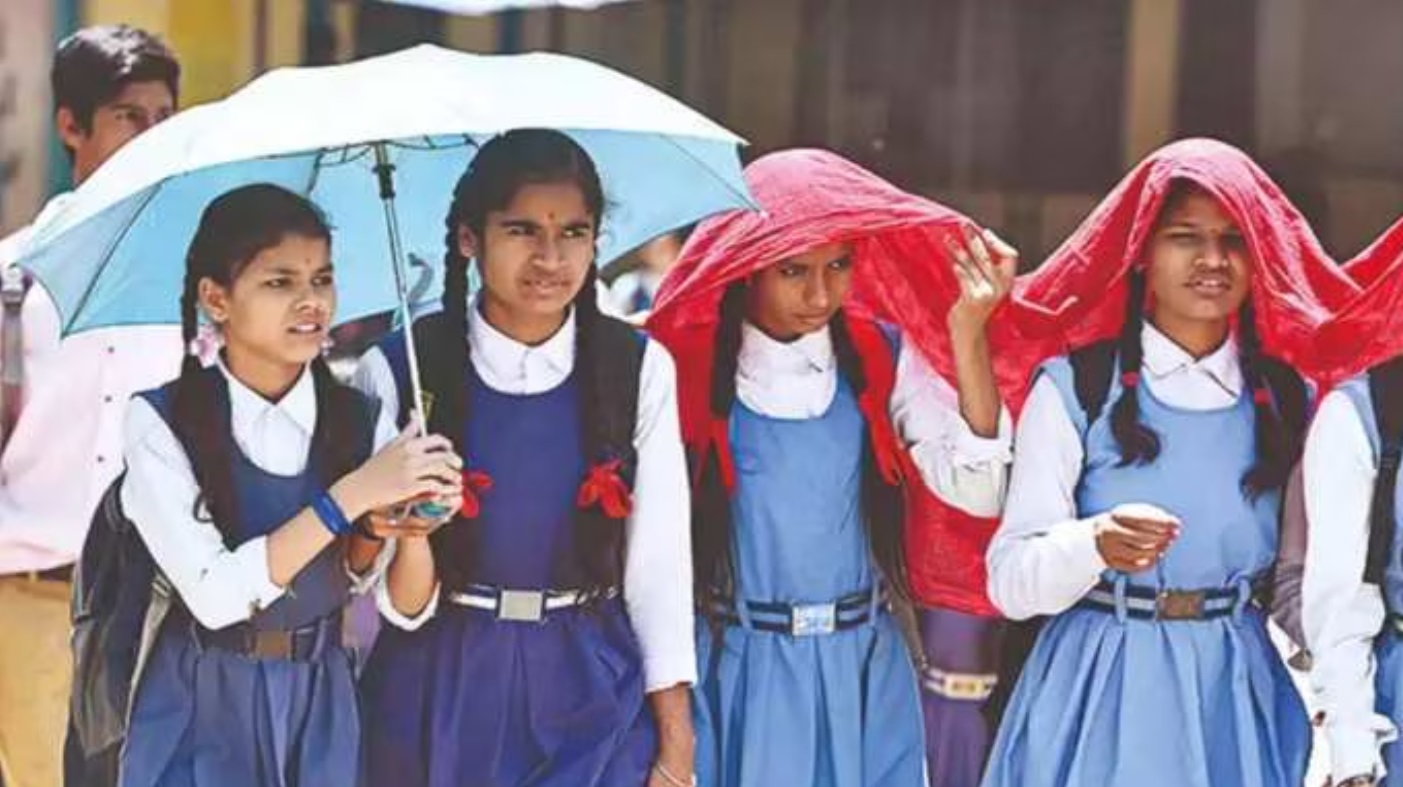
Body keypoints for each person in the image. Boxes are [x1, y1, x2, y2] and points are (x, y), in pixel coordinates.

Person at [983, 138, 1355, 787]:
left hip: (1233, 694)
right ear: (1140, 254)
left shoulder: (1290, 398)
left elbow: (1300, 584)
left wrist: (1348, 690)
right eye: (1185, 237)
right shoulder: (1076, 388)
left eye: (1234, 240)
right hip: (1098, 688)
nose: (1212, 259)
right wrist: (1091, 543)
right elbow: (1010, 582)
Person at [647, 148, 1016, 787]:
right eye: (793, 270)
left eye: (839, 265)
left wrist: (967, 335)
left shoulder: (880, 355)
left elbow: (979, 491)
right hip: (736, 666)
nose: (820, 294)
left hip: (864, 669)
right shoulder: (683, 367)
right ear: (745, 265)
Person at [355, 129, 696, 787]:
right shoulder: (401, 370)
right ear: (468, 238)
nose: (550, 257)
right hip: (436, 685)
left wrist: (676, 744)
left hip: (591, 686)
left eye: (573, 232)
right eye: (521, 231)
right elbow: (387, 593)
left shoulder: (637, 369)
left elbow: (659, 568)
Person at [116, 184, 461, 787]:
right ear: (216, 299)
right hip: (200, 701)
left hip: (321, 702)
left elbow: (405, 609)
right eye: (280, 282)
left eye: (322, 280)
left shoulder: (360, 420)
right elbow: (217, 596)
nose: (311, 302)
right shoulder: (160, 422)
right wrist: (351, 497)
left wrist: (414, 525)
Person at [0, 25, 179, 787]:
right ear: (70, 126)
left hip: (155, 602)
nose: (151, 137)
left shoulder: (196, 283)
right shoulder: (14, 279)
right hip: (30, 598)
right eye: (129, 117)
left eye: (164, 118)